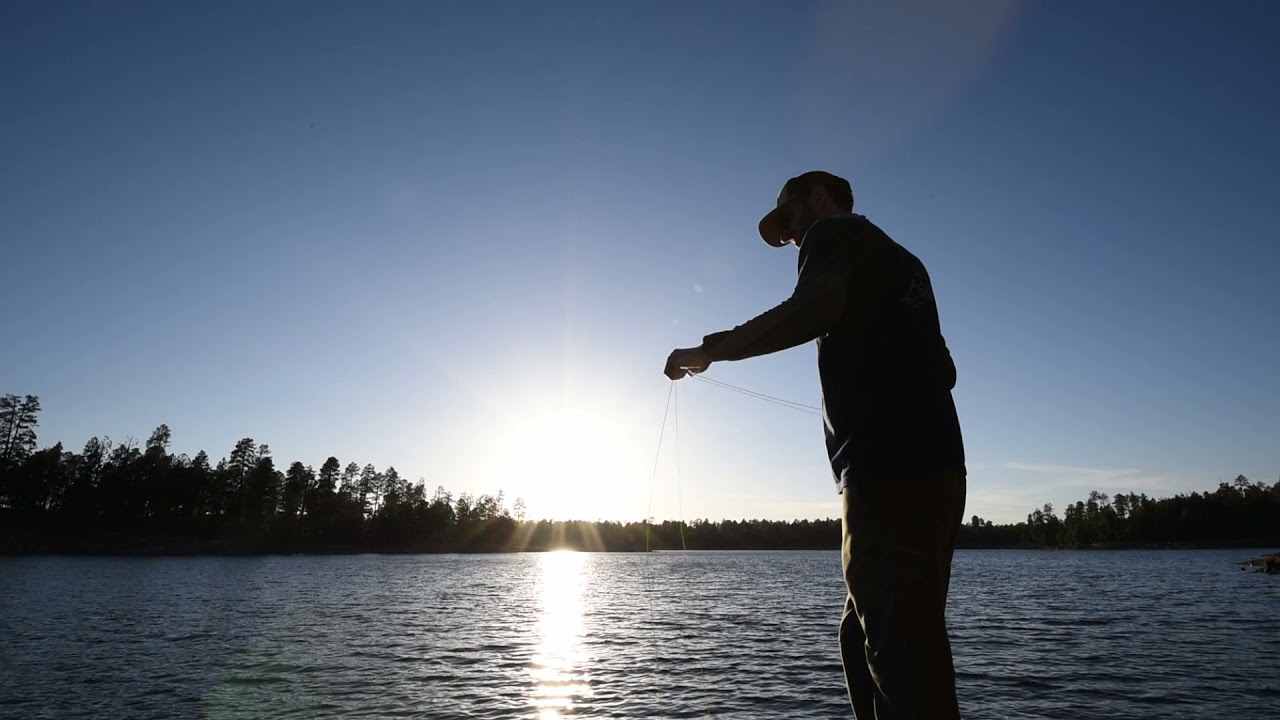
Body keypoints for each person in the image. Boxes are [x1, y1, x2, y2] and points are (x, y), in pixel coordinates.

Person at [663, 170, 968, 719]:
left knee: (901, 653)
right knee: (866, 634)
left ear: (819, 198)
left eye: (789, 219)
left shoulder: (833, 235)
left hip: (885, 473)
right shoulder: (906, 262)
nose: (790, 237)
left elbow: (815, 307)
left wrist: (711, 350)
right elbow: (945, 369)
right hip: (941, 471)